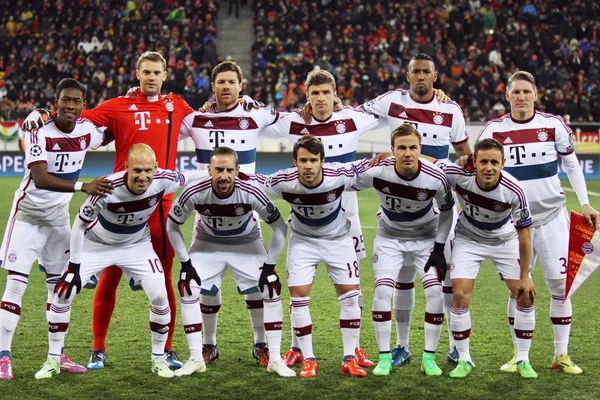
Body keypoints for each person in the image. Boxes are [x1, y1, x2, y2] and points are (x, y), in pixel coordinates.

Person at [22, 51, 196, 370]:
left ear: (166, 74)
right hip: (118, 196)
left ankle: (167, 349)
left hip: (160, 201)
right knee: (111, 274)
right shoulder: (119, 105)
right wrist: (41, 114)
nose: (151, 77)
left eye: (157, 72)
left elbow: (202, 124)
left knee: (165, 278)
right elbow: (74, 115)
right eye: (146, 72)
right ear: (137, 73)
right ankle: (98, 348)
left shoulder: (177, 105)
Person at [38, 144, 204, 379]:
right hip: (96, 245)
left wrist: (219, 171)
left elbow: (192, 175)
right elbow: (80, 224)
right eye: (137, 170)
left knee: (159, 295)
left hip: (136, 245)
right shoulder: (107, 187)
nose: (143, 176)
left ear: (156, 168)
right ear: (125, 167)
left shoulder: (164, 180)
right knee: (63, 292)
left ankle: (158, 359)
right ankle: (53, 359)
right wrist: (73, 267)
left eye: (148, 170)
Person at [477, 71, 599, 374]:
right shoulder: (494, 130)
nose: (521, 97)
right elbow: (477, 172)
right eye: (516, 92)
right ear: (507, 96)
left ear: (535, 94)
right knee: (518, 290)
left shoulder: (553, 124)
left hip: (552, 219)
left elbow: (570, 163)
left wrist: (584, 202)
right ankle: (520, 356)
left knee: (561, 288)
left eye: (526, 92)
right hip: (513, 225)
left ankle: (561, 355)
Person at [260, 69, 382, 369]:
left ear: (334, 94)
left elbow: (389, 110)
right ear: (307, 96)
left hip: (346, 213)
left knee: (353, 287)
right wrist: (241, 101)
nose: (320, 98)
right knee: (299, 287)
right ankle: (296, 349)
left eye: (326, 92)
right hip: (307, 208)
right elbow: (261, 118)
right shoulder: (295, 122)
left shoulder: (352, 119)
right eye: (314, 93)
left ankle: (355, 348)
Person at [361, 53, 471, 367]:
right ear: (408, 76)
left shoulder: (450, 109)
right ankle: (402, 345)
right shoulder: (391, 102)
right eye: (415, 72)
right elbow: (354, 114)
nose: (421, 76)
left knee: (447, 280)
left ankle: (454, 345)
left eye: (426, 72)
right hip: (403, 201)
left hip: (439, 205)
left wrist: (443, 171)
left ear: (435, 77)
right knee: (403, 281)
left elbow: (465, 157)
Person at [0, 78, 112, 380]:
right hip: (27, 216)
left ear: (83, 106)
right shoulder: (38, 129)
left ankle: (56, 355)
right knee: (16, 285)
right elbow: (39, 177)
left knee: (59, 289)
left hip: (58, 219)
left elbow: (115, 127)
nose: (70, 106)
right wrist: (83, 186)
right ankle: (3, 355)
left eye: (76, 101)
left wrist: (132, 99)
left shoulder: (87, 131)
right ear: (55, 102)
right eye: (65, 100)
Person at [178, 61, 283, 366]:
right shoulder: (196, 120)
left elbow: (292, 118)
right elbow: (164, 123)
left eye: (231, 82)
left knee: (257, 287)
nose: (225, 87)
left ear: (241, 86)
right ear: (212, 87)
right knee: (204, 288)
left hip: (247, 218)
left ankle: (261, 344)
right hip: (206, 219)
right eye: (220, 82)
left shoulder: (255, 114)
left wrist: (335, 106)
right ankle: (208, 346)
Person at [166, 147, 294, 377]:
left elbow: (279, 227)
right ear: (209, 170)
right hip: (208, 243)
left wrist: (269, 265)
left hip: (247, 243)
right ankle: (198, 355)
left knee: (270, 287)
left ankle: (273, 356)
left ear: (237, 170)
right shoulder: (194, 191)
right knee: (188, 285)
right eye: (218, 170)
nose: (223, 175)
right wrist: (185, 262)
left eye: (228, 170)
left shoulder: (251, 192)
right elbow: (172, 225)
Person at [251, 135, 367, 377]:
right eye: (303, 160)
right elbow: (254, 180)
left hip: (338, 240)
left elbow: (368, 167)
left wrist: (385, 158)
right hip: (303, 243)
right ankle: (309, 359)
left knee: (351, 298)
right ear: (295, 162)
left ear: (322, 161)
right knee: (299, 299)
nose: (308, 166)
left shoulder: (338, 176)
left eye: (314, 160)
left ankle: (349, 357)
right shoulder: (284, 181)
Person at [352, 123, 455, 376]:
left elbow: (448, 211)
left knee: (435, 294)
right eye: (401, 148)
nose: (407, 153)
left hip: (426, 238)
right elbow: (343, 177)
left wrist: (439, 247)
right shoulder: (378, 171)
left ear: (420, 149)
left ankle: (429, 358)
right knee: (382, 291)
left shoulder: (435, 177)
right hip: (390, 237)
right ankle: (385, 357)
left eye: (412, 147)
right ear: (391, 150)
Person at [445, 138, 537, 379]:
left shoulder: (514, 189)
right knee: (459, 295)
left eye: (494, 162)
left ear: (503, 163)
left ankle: (523, 359)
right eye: (483, 161)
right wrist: (386, 156)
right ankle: (464, 359)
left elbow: (525, 235)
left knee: (525, 295)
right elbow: (433, 164)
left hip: (504, 239)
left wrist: (525, 276)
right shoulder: (458, 175)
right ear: (473, 161)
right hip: (468, 238)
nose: (488, 167)